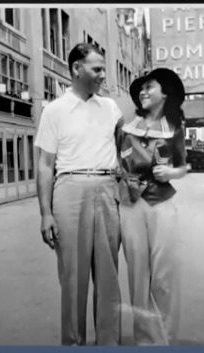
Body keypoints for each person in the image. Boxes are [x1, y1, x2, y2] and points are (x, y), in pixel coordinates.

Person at [34, 43, 123, 345]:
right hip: (69, 192)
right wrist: (46, 213)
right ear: (76, 69)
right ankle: (73, 344)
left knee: (109, 277)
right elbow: (46, 165)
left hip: (108, 189)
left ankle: (109, 343)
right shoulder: (54, 111)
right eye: (97, 69)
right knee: (73, 279)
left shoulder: (111, 108)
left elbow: (126, 152)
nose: (102, 76)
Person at [116, 68, 187, 345]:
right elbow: (116, 162)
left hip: (162, 205)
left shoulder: (174, 129)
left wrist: (171, 174)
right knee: (137, 276)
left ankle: (165, 338)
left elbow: (182, 167)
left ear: (165, 93)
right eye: (141, 89)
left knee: (164, 276)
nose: (143, 92)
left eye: (149, 87)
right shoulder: (125, 127)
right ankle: (146, 341)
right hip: (131, 205)